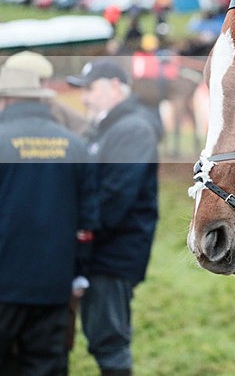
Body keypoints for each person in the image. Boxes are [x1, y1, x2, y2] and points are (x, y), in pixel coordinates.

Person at [67, 59, 162, 376]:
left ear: (115, 87)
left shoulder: (131, 129)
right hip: (101, 252)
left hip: (112, 255)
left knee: (109, 342)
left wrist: (77, 233)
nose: (84, 98)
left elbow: (114, 200)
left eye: (90, 89)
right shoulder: (108, 127)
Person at [0, 66, 97, 375]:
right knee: (47, 365)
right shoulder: (75, 145)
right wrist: (78, 273)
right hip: (55, 283)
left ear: (5, 100)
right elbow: (89, 218)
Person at [3, 50, 88, 135]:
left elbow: (83, 129)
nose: (41, 86)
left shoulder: (56, 109)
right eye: (39, 81)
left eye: (43, 81)